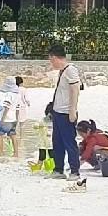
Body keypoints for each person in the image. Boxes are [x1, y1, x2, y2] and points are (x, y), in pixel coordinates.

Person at [47, 43, 82, 182]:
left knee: (69, 142)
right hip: (58, 112)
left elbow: (75, 90)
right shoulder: (63, 71)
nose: (51, 63)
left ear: (55, 58)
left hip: (66, 112)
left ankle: (75, 171)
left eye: (51, 60)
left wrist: (72, 110)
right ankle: (58, 169)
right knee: (57, 142)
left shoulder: (71, 70)